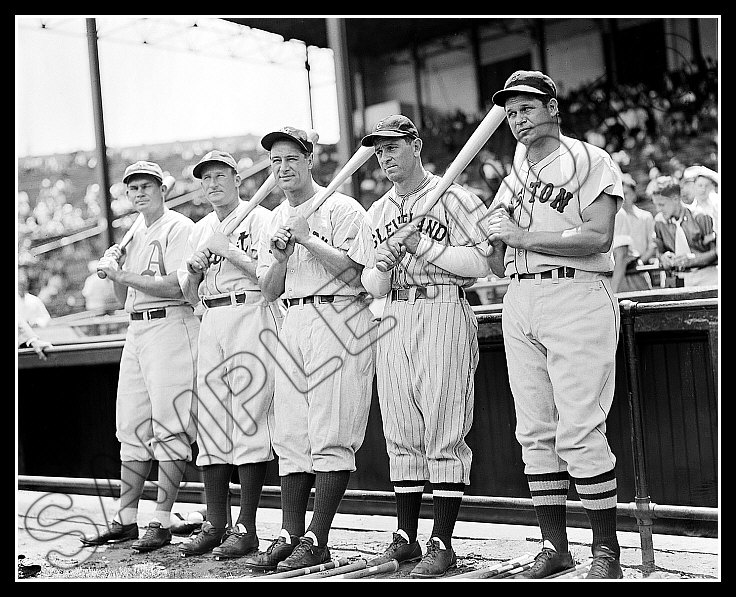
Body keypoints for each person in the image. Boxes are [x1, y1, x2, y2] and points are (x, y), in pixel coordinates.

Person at [485, 70, 625, 579]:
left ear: (552, 108)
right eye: (511, 112)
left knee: (581, 429)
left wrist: (522, 236)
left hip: (576, 292)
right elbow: (497, 261)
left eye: (527, 108)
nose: (518, 119)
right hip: (519, 296)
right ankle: (554, 546)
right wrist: (497, 238)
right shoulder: (511, 179)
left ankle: (605, 552)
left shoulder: (590, 159)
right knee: (534, 432)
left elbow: (598, 237)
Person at [354, 114, 490, 578]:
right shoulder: (376, 212)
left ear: (415, 145)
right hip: (393, 311)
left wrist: (424, 249)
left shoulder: (453, 196)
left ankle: (442, 541)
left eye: (393, 146)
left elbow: (483, 264)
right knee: (400, 426)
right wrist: (385, 261)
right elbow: (370, 284)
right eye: (380, 150)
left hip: (442, 306)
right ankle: (406, 536)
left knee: (443, 425)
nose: (385, 156)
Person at [244, 126, 375, 572]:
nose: (281, 168)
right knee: (292, 433)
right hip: (293, 317)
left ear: (309, 160)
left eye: (290, 159)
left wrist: (306, 238)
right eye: (275, 161)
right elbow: (267, 289)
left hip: (338, 314)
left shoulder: (343, 208)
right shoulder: (274, 216)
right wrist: (280, 256)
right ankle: (291, 531)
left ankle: (318, 538)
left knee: (330, 428)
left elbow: (358, 275)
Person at [80, 161, 200, 553]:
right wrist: (115, 267)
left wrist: (119, 275)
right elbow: (120, 299)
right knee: (129, 424)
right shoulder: (132, 235)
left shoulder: (179, 228)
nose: (140, 193)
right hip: (137, 328)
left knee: (171, 425)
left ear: (162, 188)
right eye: (133, 188)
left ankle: (161, 520)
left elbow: (178, 287)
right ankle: (126, 518)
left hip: (171, 325)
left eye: (147, 186)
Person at [176, 150, 281, 559]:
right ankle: (215, 522)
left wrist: (229, 250)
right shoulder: (199, 229)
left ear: (238, 179)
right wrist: (197, 272)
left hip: (250, 311)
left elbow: (270, 277)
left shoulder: (260, 218)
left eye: (221, 175)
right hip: (211, 318)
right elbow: (188, 296)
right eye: (206, 178)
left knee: (250, 418)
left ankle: (247, 526)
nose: (214, 183)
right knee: (212, 423)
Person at [650, 175, 718, 288]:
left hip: (707, 277)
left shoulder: (700, 217)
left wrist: (693, 260)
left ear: (676, 199)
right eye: (655, 205)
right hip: (679, 279)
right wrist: (664, 258)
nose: (658, 209)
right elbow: (659, 252)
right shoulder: (659, 222)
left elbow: (715, 252)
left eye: (661, 204)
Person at [611, 173, 656, 293]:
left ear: (633, 194)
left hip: (637, 268)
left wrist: (641, 261)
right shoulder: (613, 217)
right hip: (618, 272)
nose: (623, 197)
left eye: (626, 193)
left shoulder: (645, 217)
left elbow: (653, 245)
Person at [683, 165, 719, 237]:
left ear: (712, 187)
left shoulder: (717, 204)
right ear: (694, 186)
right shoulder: (690, 208)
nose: (703, 189)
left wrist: (713, 236)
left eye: (707, 186)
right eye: (700, 185)